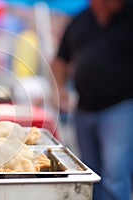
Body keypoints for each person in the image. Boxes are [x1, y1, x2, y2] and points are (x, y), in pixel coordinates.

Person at [51, 0, 133, 199]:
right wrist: (58, 88)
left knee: (115, 174)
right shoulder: (81, 21)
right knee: (90, 173)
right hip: (84, 109)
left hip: (120, 107)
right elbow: (61, 59)